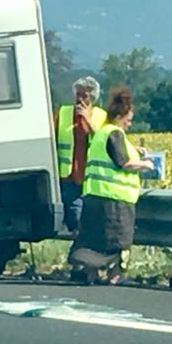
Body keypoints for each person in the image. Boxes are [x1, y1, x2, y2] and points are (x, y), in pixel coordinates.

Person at [70, 85, 156, 285]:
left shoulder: (101, 133)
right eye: (128, 120)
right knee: (119, 240)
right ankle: (115, 275)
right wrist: (146, 164)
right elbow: (123, 162)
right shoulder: (115, 133)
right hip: (115, 200)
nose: (129, 124)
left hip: (93, 196)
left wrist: (134, 149)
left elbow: (110, 154)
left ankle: (91, 273)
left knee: (92, 238)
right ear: (120, 117)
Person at [54, 76, 104, 235]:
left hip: (91, 175)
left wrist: (87, 120)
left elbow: (106, 140)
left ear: (93, 98)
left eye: (85, 95)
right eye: (78, 94)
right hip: (68, 175)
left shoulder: (101, 117)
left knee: (87, 217)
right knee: (74, 216)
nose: (80, 99)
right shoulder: (63, 113)